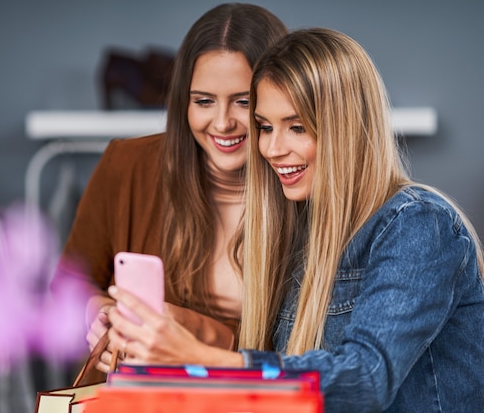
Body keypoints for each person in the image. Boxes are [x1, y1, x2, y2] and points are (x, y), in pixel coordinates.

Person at [107, 28, 484, 412]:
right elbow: (279, 374)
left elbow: (364, 378)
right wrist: (176, 340)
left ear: (345, 129)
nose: (272, 148)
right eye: (265, 127)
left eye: (297, 127)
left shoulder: (419, 224)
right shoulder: (298, 231)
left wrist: (204, 359)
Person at [56, 3, 288, 372]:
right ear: (183, 101)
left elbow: (313, 351)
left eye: (244, 102)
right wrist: (97, 313)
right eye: (203, 102)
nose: (223, 122)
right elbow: (67, 285)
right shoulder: (128, 165)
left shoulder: (302, 187)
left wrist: (198, 331)